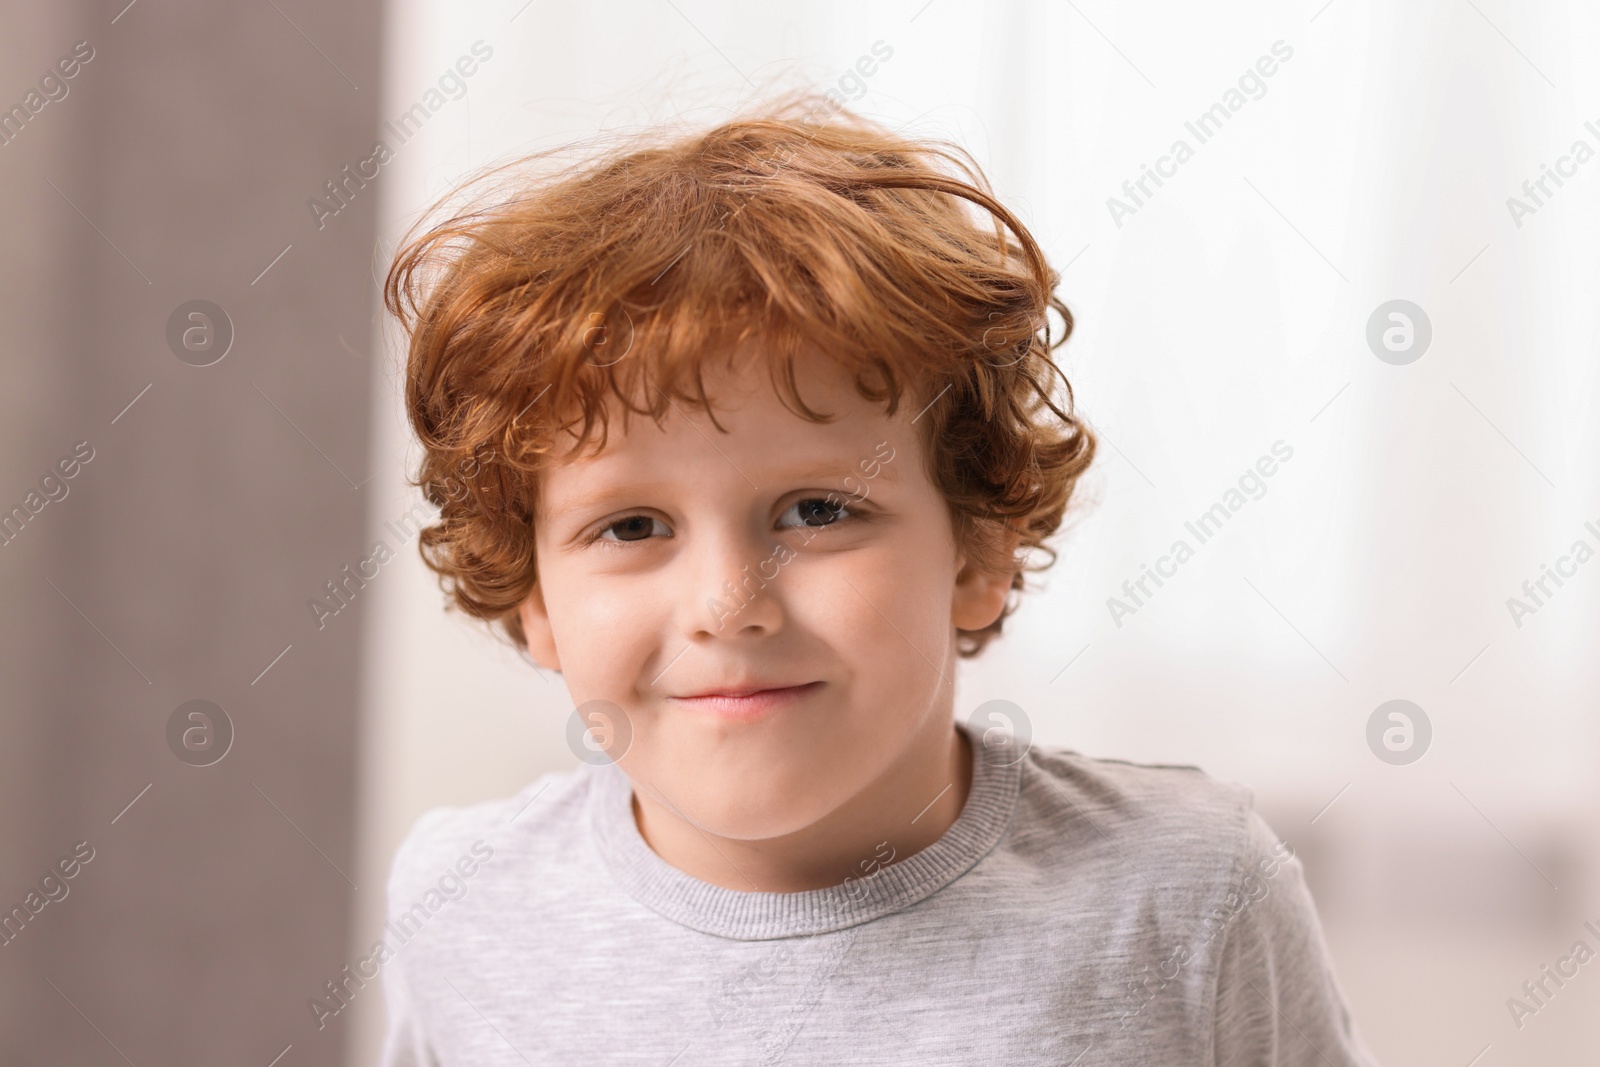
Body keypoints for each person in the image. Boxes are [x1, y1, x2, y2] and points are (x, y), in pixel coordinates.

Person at [374, 93, 1379, 1065]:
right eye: (632, 524)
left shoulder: (1188, 891)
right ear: (537, 600)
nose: (729, 603)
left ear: (977, 551)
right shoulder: (462, 898)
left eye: (818, 510)